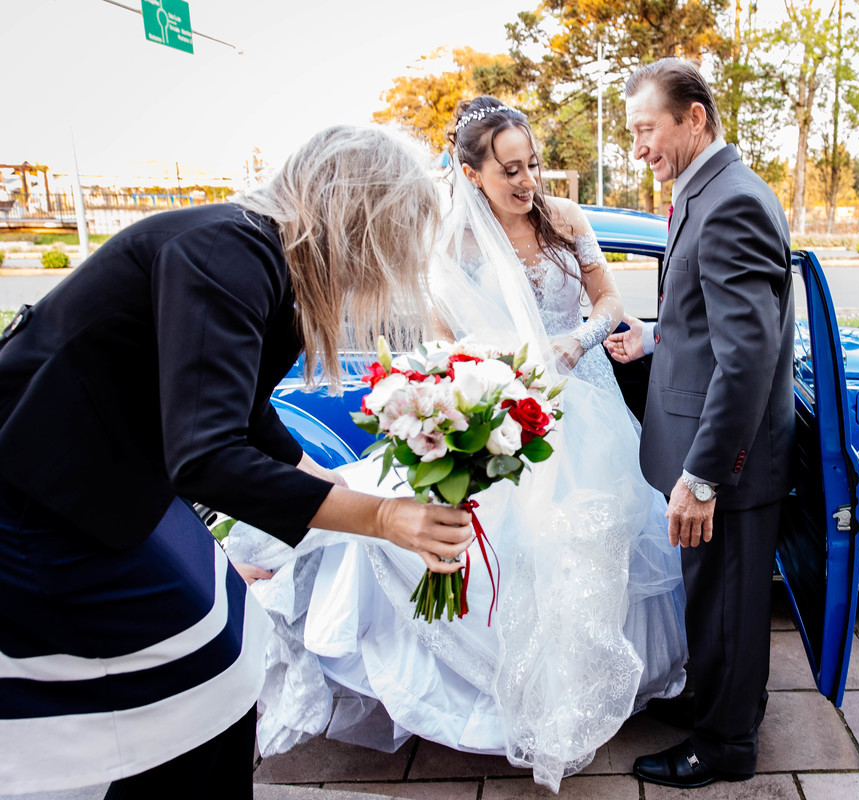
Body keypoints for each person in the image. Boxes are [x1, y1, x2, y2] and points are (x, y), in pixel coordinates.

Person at [224, 96, 687, 794]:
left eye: (532, 164)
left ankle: (588, 686)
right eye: (509, 170)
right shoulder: (452, 242)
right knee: (497, 553)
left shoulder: (566, 219)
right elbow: (446, 346)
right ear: (470, 173)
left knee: (590, 545)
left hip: (584, 406)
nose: (528, 180)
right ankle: (486, 705)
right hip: (503, 409)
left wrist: (581, 338)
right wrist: (487, 392)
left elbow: (610, 303)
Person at [0, 124, 474, 798]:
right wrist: (384, 518)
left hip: (109, 492)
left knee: (230, 644)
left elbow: (242, 411)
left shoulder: (256, 257)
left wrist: (326, 484)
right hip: (38, 507)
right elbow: (208, 455)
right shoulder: (227, 253)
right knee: (199, 674)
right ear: (363, 219)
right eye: (397, 239)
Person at [605, 58, 796, 789]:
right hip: (715, 450)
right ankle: (715, 699)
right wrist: (658, 339)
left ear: (695, 119)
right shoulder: (710, 190)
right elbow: (716, 327)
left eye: (648, 129)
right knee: (714, 599)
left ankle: (726, 746)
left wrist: (704, 475)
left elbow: (747, 359)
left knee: (730, 603)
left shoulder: (730, 203)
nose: (640, 147)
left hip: (728, 462)